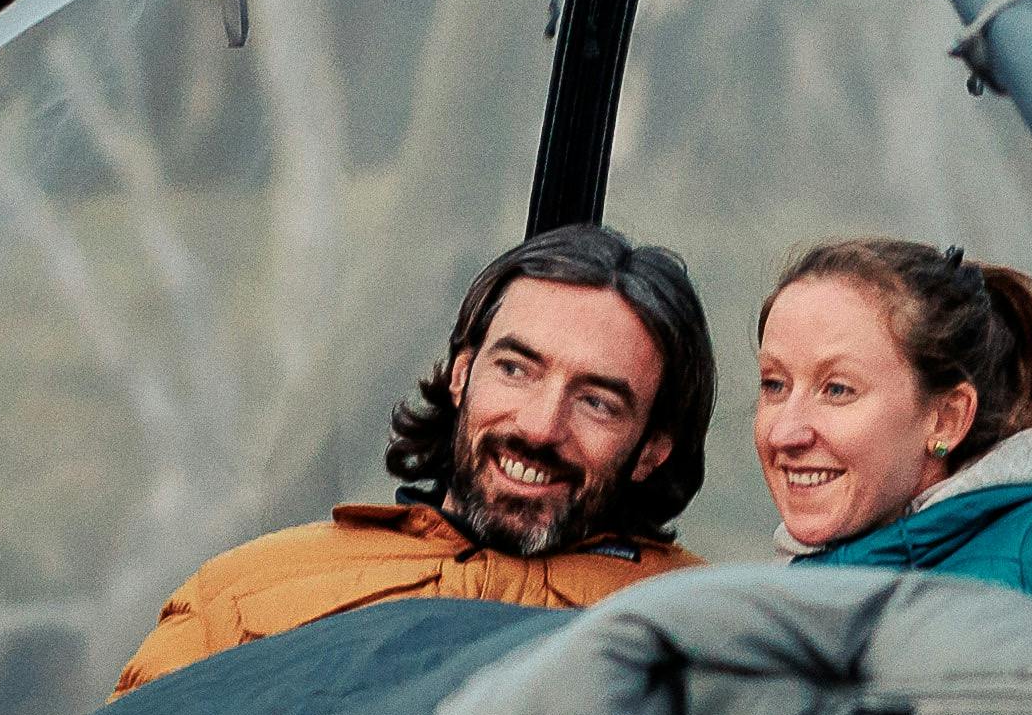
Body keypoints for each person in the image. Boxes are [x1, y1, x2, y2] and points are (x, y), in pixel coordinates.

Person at [116, 223, 716, 689]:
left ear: (651, 451)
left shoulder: (712, 632)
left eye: (596, 402)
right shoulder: (244, 594)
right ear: (461, 375)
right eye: (515, 369)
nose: (540, 427)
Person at [753, 237, 1032, 673]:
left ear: (946, 419)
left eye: (838, 389)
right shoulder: (757, 622)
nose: (786, 432)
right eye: (774, 385)